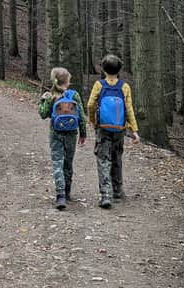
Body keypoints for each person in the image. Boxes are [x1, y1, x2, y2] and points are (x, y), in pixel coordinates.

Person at [86, 54, 141, 209]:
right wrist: (134, 130)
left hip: (102, 129)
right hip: (119, 130)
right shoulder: (124, 87)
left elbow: (90, 105)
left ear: (103, 69)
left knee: (103, 159)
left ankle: (105, 195)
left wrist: (93, 120)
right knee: (117, 157)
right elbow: (129, 110)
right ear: (119, 70)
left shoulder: (99, 85)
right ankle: (117, 190)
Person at [38, 67, 86, 210]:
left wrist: (42, 101)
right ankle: (67, 191)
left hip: (55, 134)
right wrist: (83, 133)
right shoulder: (74, 95)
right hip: (71, 134)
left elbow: (43, 114)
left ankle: (60, 195)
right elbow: (81, 116)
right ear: (68, 81)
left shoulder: (51, 96)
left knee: (57, 163)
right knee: (68, 163)